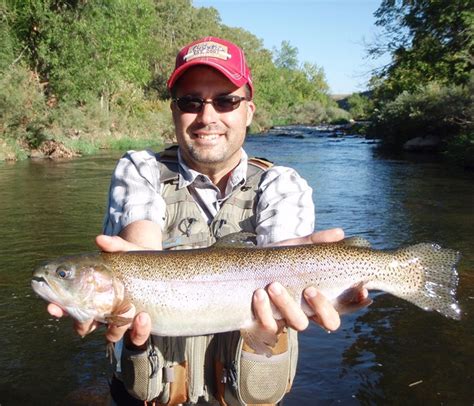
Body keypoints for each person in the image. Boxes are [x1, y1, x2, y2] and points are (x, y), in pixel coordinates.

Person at [48, 36, 346, 405]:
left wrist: (315, 278)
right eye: (191, 101)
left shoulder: (282, 183)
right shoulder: (140, 169)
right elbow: (141, 243)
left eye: (226, 100)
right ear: (174, 110)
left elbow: (284, 262)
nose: (207, 117)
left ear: (248, 111)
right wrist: (126, 276)